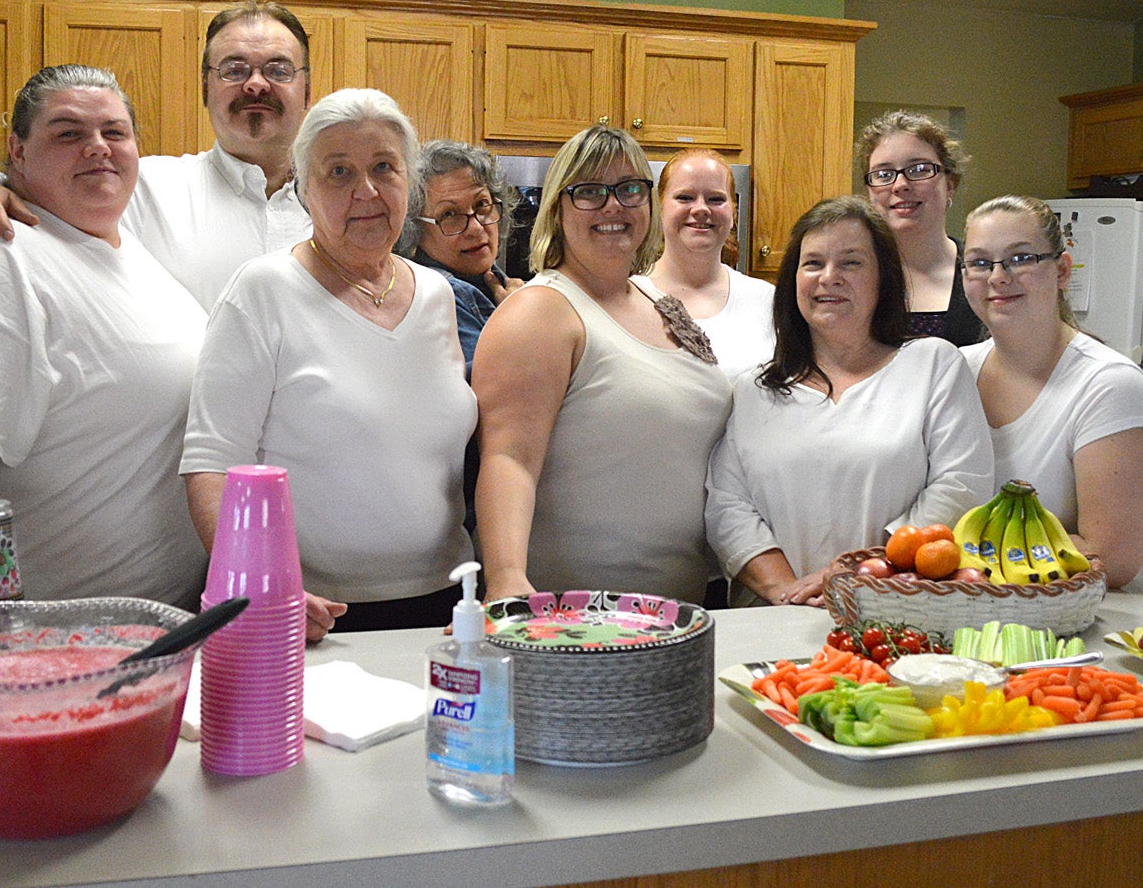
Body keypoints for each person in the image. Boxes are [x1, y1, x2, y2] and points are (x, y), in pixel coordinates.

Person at [0, 65, 208, 617]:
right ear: (17, 151)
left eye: (114, 132)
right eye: (68, 133)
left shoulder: (121, 244)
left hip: (141, 634)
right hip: (37, 644)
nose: (97, 148)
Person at [180, 89, 476, 635]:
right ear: (303, 189)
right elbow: (211, 465)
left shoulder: (438, 295)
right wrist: (260, 588)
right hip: (314, 613)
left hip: (445, 605)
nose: (366, 191)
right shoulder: (264, 290)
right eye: (338, 172)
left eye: (384, 168)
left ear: (407, 182)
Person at [472, 125, 732, 606]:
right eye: (589, 192)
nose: (614, 206)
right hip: (577, 617)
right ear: (558, 208)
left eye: (630, 189)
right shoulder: (542, 311)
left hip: (685, 606)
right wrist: (506, 577)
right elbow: (508, 459)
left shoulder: (658, 299)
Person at [705, 196, 993, 607]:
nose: (829, 277)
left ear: (883, 279)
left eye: (851, 263)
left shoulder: (933, 364)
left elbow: (961, 486)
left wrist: (859, 575)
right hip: (771, 617)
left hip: (895, 613)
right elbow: (727, 507)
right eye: (813, 263)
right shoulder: (754, 389)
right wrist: (789, 594)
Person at [0, 0, 313, 311]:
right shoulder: (140, 188)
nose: (255, 84)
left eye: (278, 70)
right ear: (205, 89)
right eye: (234, 69)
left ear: (307, 91)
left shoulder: (348, 202)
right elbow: (46, 185)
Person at [959, 195, 1143, 588]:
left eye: (1020, 258)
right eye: (980, 263)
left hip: (1070, 628)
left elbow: (1112, 558)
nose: (998, 277)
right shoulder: (953, 372)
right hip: (952, 614)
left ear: (1063, 270)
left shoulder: (1111, 385)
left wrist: (956, 558)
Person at [855, 110, 984, 346]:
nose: (900, 185)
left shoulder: (984, 274)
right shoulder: (850, 275)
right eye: (883, 174)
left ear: (950, 183)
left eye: (918, 170)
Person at [644, 147, 775, 381]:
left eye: (716, 199)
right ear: (659, 207)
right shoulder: (631, 295)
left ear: (733, 213)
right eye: (685, 197)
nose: (701, 209)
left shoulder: (767, 300)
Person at [397, 139, 523, 369]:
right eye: (449, 214)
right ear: (414, 229)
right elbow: (499, 390)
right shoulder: (443, 295)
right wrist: (523, 323)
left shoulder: (492, 281)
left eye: (482, 204)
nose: (475, 228)